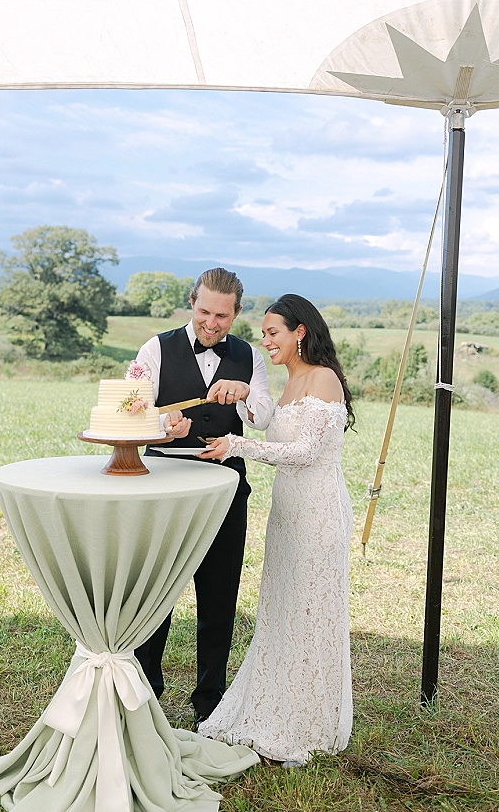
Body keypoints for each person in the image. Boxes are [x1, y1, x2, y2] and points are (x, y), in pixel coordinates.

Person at [195, 293, 355, 766]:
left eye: (272, 333)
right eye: (263, 334)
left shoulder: (323, 379)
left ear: (299, 332)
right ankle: (271, 706)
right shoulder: (290, 382)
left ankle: (305, 722)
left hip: (319, 510)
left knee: (311, 611)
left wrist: (239, 447)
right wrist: (243, 409)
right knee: (282, 607)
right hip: (287, 510)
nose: (265, 342)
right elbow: (271, 428)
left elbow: (306, 452)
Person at [135, 267, 273, 728]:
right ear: (191, 302)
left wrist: (246, 393)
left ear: (237, 313)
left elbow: (264, 418)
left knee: (220, 594)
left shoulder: (249, 357)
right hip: (164, 487)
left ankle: (210, 697)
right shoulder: (155, 349)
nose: (212, 323)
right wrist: (163, 426)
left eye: (223, 316)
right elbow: (132, 411)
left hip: (225, 488)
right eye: (204, 312)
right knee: (156, 592)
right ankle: (146, 689)